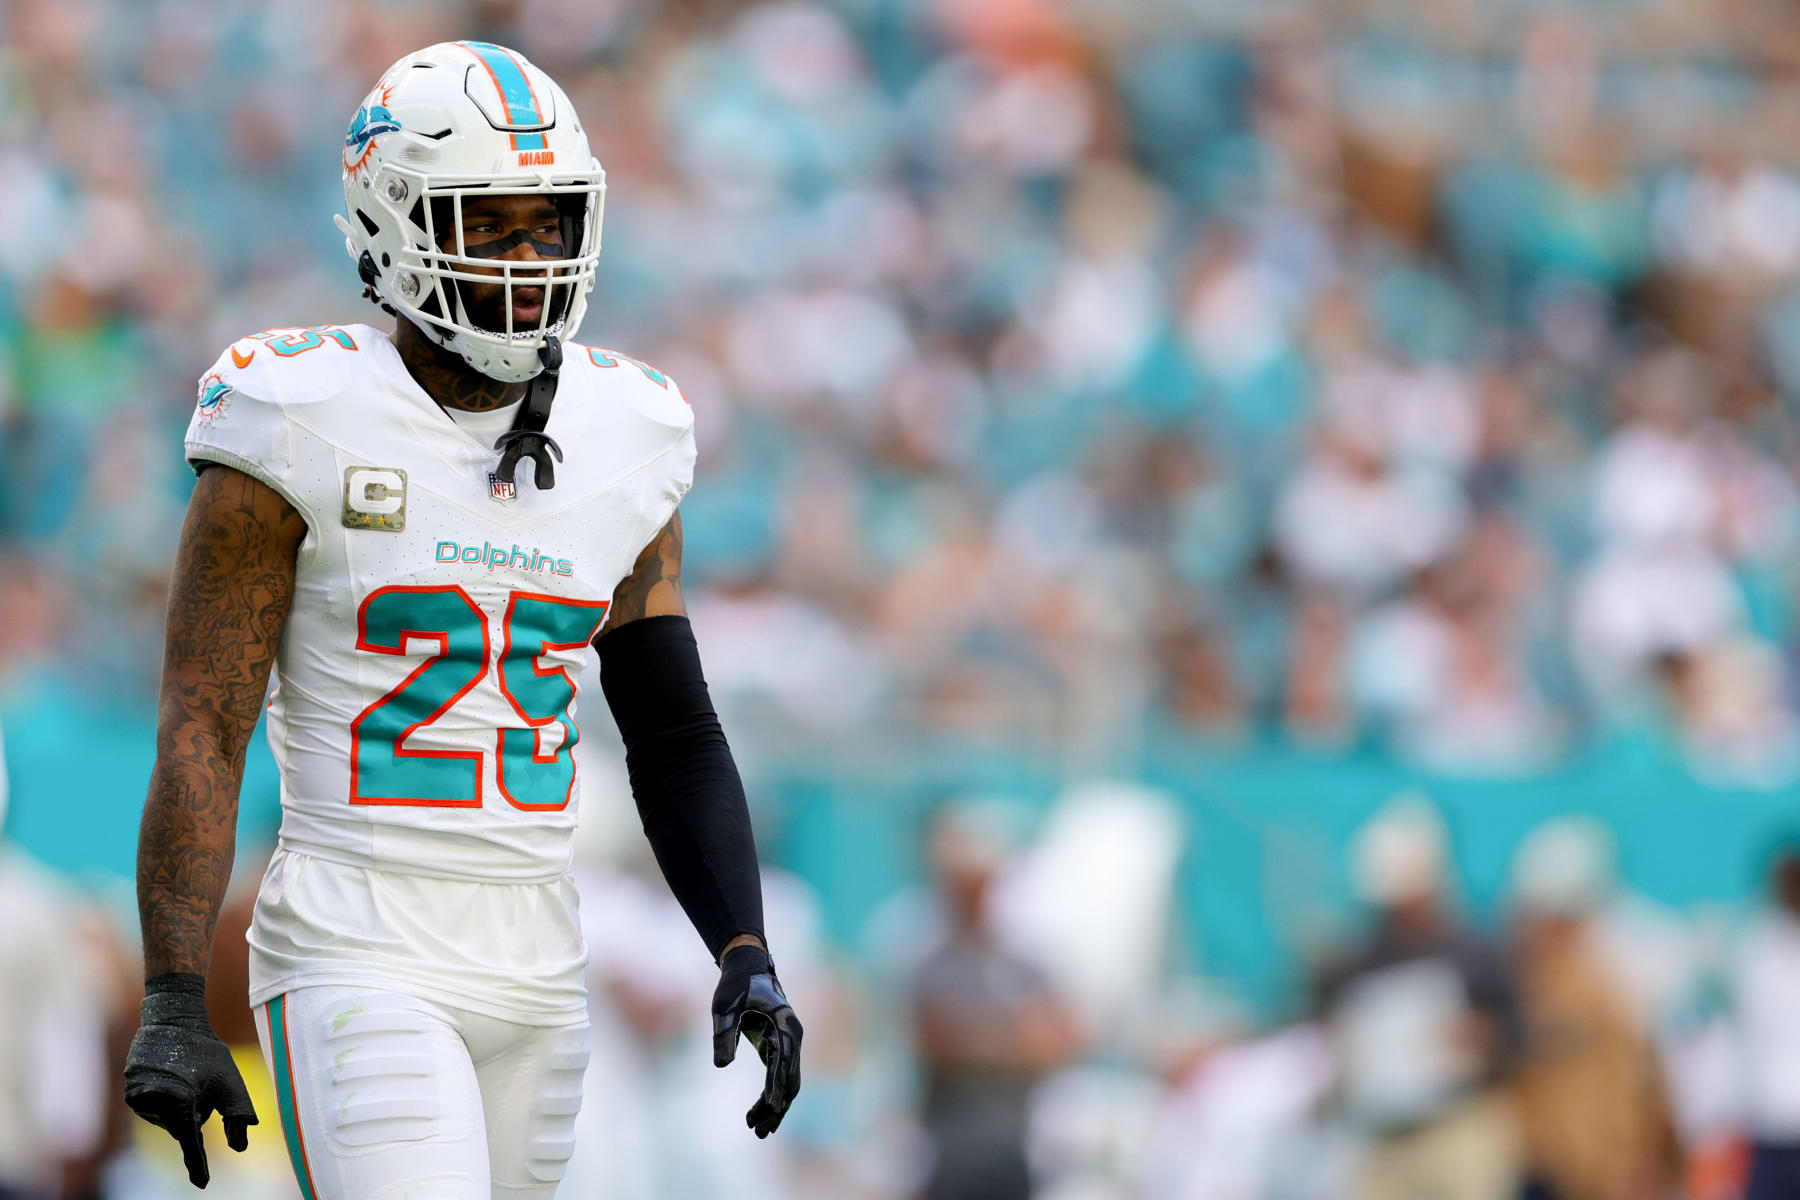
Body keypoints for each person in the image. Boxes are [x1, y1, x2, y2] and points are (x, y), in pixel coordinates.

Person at [120, 42, 801, 1198]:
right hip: (357, 943)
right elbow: (203, 725)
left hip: (541, 957)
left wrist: (743, 948)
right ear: (391, 224)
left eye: (552, 221)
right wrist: (176, 995)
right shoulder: (296, 414)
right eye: (491, 224)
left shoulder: (627, 430)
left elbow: (672, 726)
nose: (531, 257)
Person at [1314, 794, 1522, 1200]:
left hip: (1457, 1126)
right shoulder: (1358, 961)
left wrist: (1482, 1037)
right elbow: (1321, 1035)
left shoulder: (1474, 953)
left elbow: (1520, 1034)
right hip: (1383, 1134)